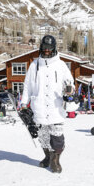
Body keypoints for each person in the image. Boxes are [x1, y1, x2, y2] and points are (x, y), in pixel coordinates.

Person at [21, 35, 74, 173]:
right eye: (44, 48)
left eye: (49, 48)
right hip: (39, 107)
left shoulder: (61, 65)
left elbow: (70, 82)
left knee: (57, 137)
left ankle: (55, 159)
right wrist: (23, 102)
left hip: (56, 107)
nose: (46, 51)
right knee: (43, 137)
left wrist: (69, 90)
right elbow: (27, 86)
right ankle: (47, 156)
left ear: (54, 48)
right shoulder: (34, 65)